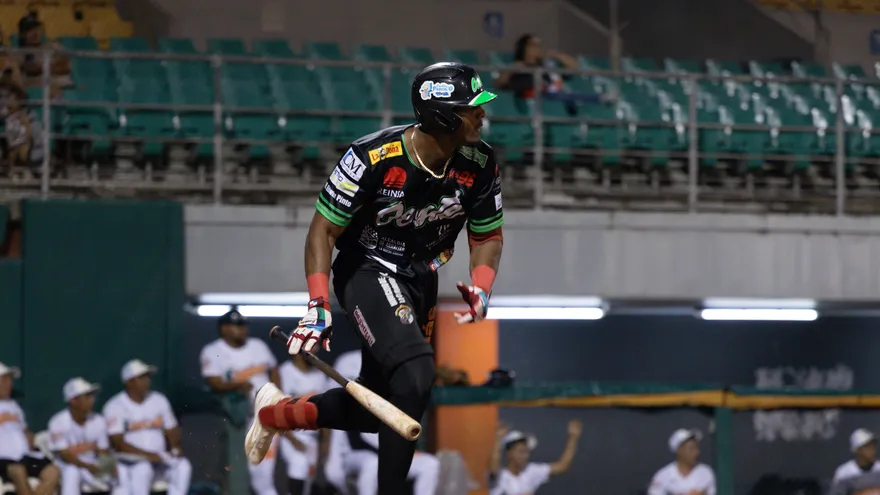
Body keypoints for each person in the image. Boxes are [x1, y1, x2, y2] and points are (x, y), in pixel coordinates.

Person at [244, 61, 505, 494]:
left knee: (379, 409)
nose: (481, 115)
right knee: (417, 374)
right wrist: (317, 305)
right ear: (441, 117)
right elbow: (322, 230)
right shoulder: (372, 156)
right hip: (367, 267)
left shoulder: (480, 161)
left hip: (421, 275)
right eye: (470, 108)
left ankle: (275, 414)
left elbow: (488, 232)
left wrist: (481, 283)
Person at [199, 309, 281, 494]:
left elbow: (274, 369)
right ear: (224, 329)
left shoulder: (257, 345)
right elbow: (214, 382)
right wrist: (237, 385)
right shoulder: (213, 350)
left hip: (267, 416)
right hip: (239, 415)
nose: (242, 329)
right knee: (242, 470)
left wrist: (278, 395)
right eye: (237, 326)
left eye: (243, 325)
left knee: (263, 473)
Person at [103, 359, 192, 495]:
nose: (146, 381)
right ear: (129, 382)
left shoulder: (159, 400)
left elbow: (171, 428)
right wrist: (149, 456)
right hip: (129, 463)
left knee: (183, 466)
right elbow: (118, 443)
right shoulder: (114, 406)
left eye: (148, 377)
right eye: (141, 377)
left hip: (158, 460)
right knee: (142, 469)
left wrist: (175, 447)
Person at [494, 33, 612, 116]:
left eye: (538, 45)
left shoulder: (546, 65)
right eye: (533, 45)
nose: (537, 49)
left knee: (568, 97)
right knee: (566, 97)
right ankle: (599, 98)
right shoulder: (518, 65)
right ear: (524, 47)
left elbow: (574, 67)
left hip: (553, 96)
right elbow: (499, 83)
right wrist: (514, 69)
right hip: (534, 97)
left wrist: (557, 55)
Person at [48, 377, 123, 495]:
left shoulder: (98, 420)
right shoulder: (58, 421)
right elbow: (65, 455)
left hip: (93, 466)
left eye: (92, 396)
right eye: (87, 396)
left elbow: (103, 451)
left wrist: (108, 465)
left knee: (121, 473)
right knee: (72, 472)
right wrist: (88, 466)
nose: (92, 400)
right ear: (73, 400)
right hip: (68, 466)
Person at [0, 362, 61, 495]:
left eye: (10, 379)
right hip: (4, 460)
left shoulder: (13, 406)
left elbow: (24, 430)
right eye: (4, 379)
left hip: (25, 456)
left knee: (53, 472)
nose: (9, 384)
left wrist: (29, 438)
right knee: (19, 471)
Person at [276, 354, 329, 494]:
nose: (312, 352)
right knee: (299, 464)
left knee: (308, 479)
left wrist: (326, 440)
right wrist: (291, 439)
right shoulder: (284, 371)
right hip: (290, 432)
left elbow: (325, 410)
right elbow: (278, 409)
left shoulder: (320, 375)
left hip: (312, 436)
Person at [488, 420, 581, 495]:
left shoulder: (531, 471)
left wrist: (573, 438)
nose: (525, 456)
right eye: (521, 452)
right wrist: (498, 439)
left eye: (526, 452)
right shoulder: (500, 475)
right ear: (509, 453)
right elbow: (493, 465)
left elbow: (562, 466)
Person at [648, 428, 716, 495]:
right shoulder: (663, 476)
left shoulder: (706, 472)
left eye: (697, 448)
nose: (696, 452)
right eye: (691, 449)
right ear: (679, 451)